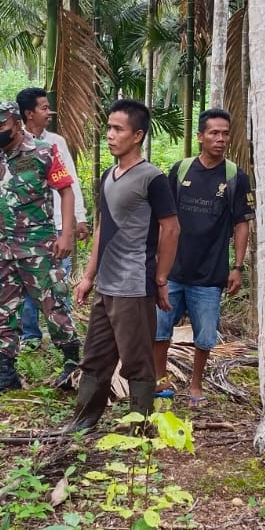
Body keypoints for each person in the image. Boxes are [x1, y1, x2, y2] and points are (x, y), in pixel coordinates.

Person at [67, 98, 179, 433]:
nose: (111, 135)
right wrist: (88, 277)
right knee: (96, 358)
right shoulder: (109, 175)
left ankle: (139, 429)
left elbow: (171, 228)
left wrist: (160, 278)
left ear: (137, 136)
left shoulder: (152, 178)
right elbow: (104, 228)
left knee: (137, 361)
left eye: (119, 129)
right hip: (107, 285)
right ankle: (82, 424)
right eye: (109, 128)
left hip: (134, 284)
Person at [0, 100, 80, 395]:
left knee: (54, 307)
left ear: (16, 122)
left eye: (1, 125)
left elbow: (65, 192)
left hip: (39, 248)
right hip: (4, 248)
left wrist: (66, 236)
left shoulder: (42, 151)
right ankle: (6, 373)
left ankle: (73, 365)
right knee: (4, 311)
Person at [153, 108, 254, 406]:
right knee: (160, 329)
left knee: (206, 335)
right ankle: (161, 379)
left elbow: (241, 223)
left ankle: (196, 386)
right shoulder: (181, 170)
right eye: (214, 133)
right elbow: (164, 217)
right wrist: (157, 261)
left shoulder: (235, 177)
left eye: (225, 133)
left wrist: (237, 266)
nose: (220, 139)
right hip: (172, 270)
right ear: (200, 136)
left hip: (210, 274)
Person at [16, 86, 89, 352]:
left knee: (59, 280)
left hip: (58, 223)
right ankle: (31, 336)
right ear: (28, 113)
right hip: (26, 227)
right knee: (27, 282)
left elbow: (71, 182)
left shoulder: (56, 142)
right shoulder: (15, 143)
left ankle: (65, 338)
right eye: (44, 108)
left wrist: (78, 218)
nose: (50, 112)